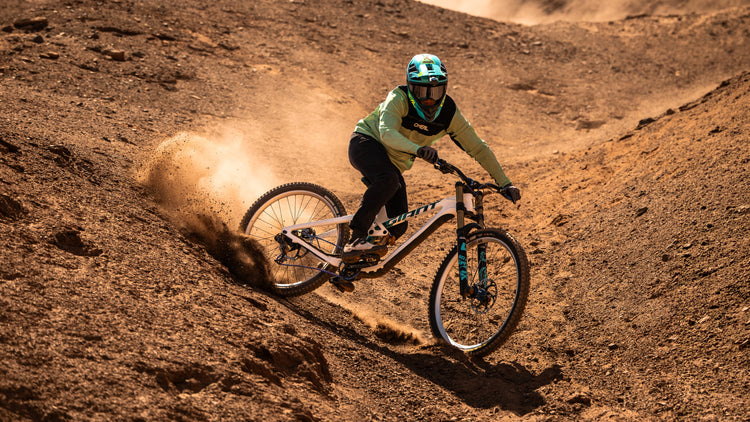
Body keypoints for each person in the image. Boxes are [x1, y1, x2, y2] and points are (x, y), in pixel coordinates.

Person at [343, 53, 521, 262]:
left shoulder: (449, 113)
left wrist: (505, 183)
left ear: (444, 89)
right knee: (388, 181)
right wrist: (418, 149)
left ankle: (353, 265)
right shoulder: (398, 98)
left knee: (398, 225)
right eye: (422, 91)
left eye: (435, 92)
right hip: (366, 143)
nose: (429, 99)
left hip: (392, 165)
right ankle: (355, 239)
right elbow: (387, 133)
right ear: (410, 87)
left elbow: (478, 148)